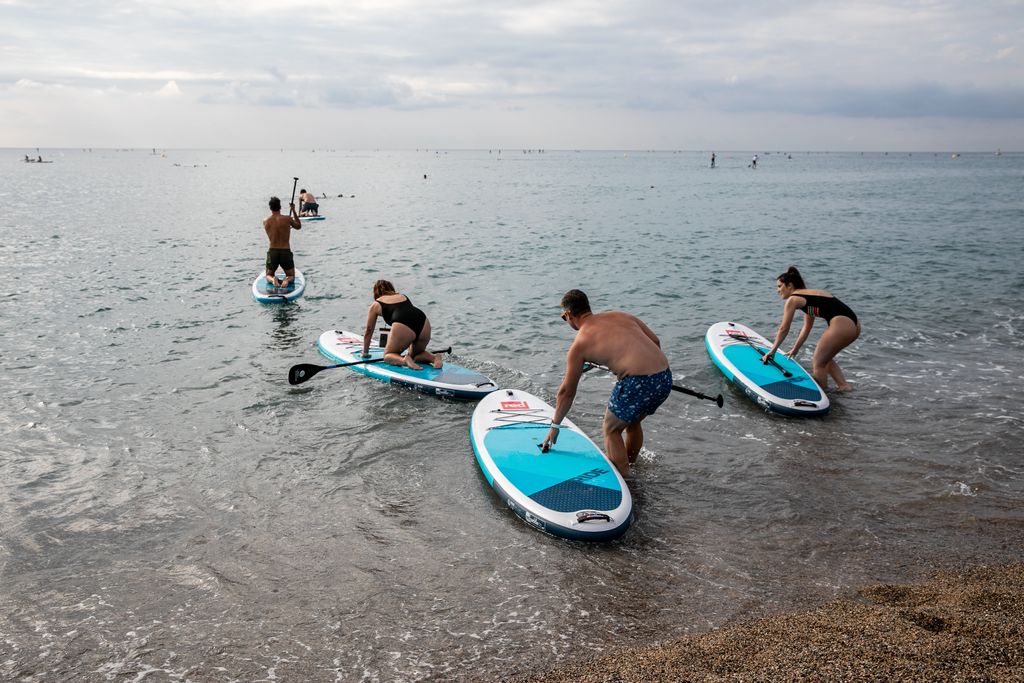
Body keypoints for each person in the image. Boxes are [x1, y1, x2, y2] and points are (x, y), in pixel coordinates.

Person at [540, 289, 672, 478]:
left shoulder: (580, 344)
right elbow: (655, 341)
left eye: (564, 317)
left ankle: (626, 482)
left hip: (639, 382)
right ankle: (629, 463)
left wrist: (555, 426)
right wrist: (632, 368)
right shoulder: (620, 315)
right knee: (631, 422)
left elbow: (566, 392)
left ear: (569, 315)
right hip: (664, 376)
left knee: (611, 428)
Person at [763, 266, 860, 392]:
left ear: (790, 286)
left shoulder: (793, 299)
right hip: (854, 325)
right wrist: (795, 348)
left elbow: (783, 328)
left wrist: (772, 350)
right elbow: (806, 328)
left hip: (842, 324)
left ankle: (822, 394)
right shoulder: (808, 296)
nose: (777, 290)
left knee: (818, 362)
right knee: (825, 358)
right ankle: (844, 387)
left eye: (779, 286)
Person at [361, 280, 443, 370]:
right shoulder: (402, 296)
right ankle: (434, 358)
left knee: (388, 356)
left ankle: (405, 360)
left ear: (376, 292)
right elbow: (409, 315)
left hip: (403, 323)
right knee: (415, 356)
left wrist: (365, 352)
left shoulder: (376, 304)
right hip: (423, 321)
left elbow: (369, 330)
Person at [262, 196, 301, 288]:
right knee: (291, 276)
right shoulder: (287, 219)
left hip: (273, 251)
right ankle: (286, 280)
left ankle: (273, 279)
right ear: (280, 207)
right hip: (285, 251)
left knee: (268, 275)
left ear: (270, 208)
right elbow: (298, 226)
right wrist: (294, 210)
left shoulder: (265, 221)